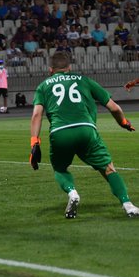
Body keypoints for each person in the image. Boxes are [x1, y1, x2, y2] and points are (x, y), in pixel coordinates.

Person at [30, 52, 138, 218]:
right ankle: (128, 205)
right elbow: (114, 108)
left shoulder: (44, 86)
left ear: (51, 70)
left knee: (60, 168)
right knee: (108, 168)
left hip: (60, 133)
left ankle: (72, 193)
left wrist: (34, 143)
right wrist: (123, 123)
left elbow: (37, 115)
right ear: (69, 67)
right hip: (86, 130)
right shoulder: (84, 80)